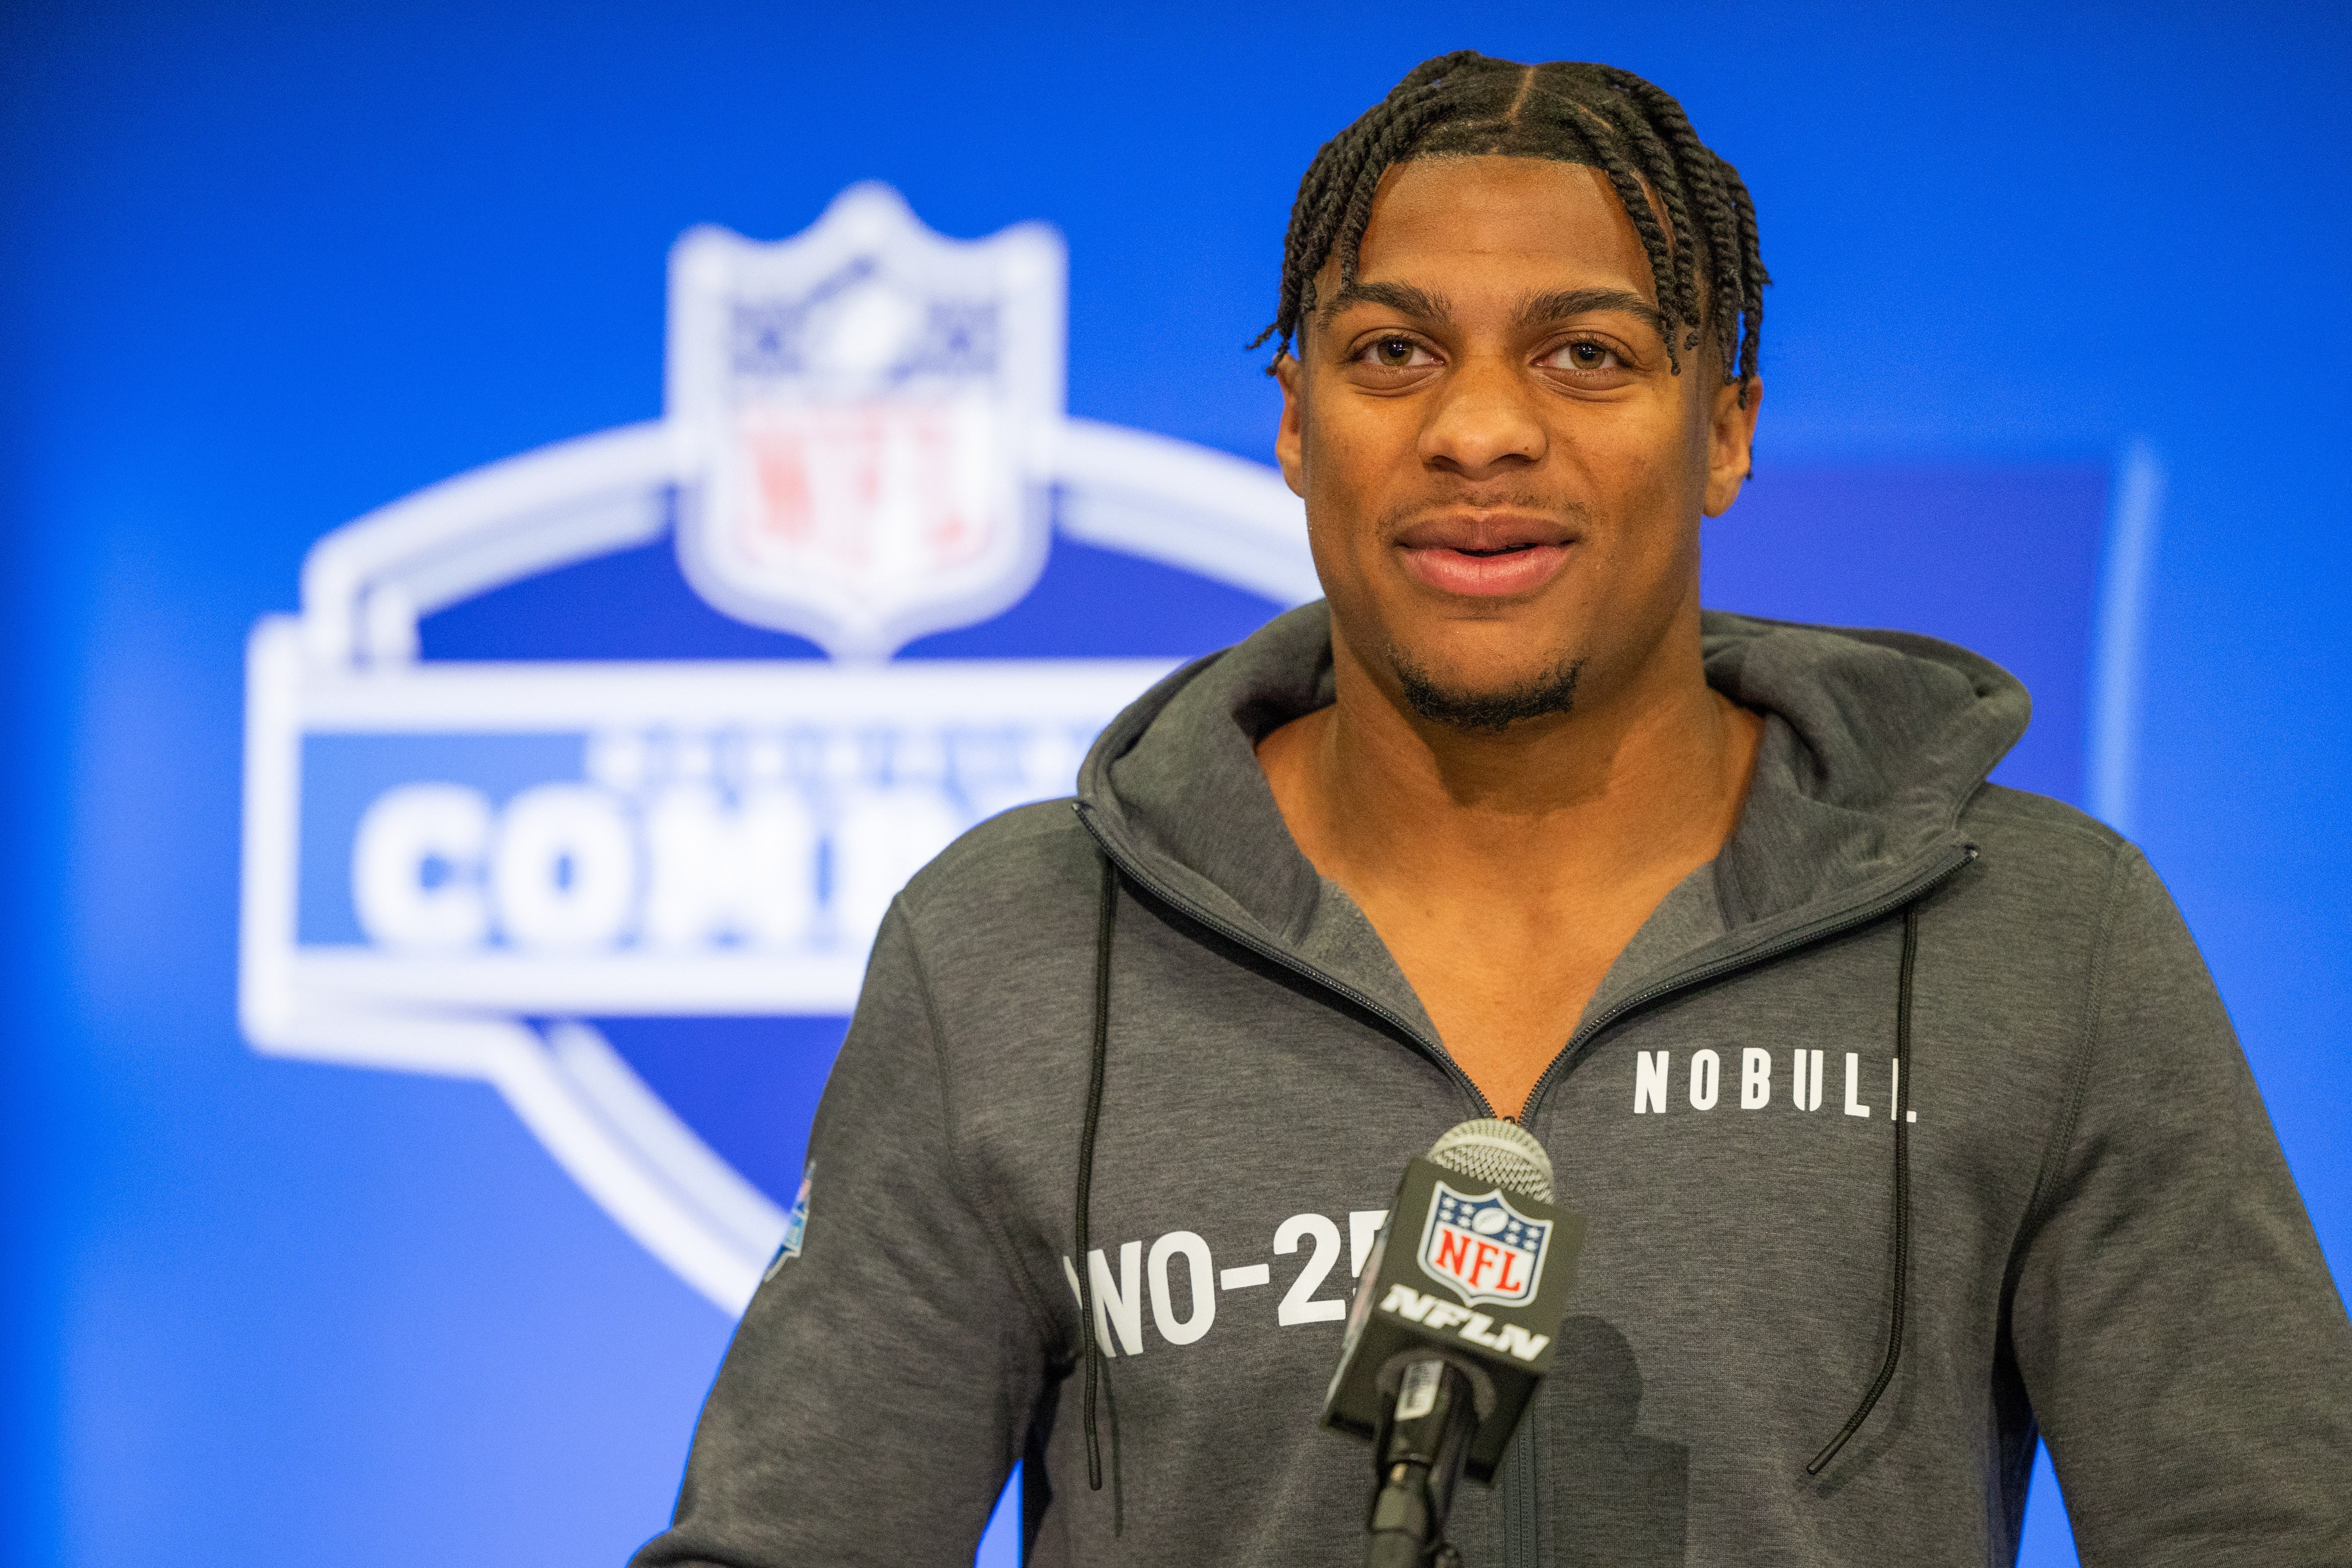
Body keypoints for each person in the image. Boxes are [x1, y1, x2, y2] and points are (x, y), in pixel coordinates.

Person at [633, 51, 2352, 1567]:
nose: (1475, 430)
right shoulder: (1007, 949)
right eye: (1391, 352)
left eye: (1583, 355)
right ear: (1296, 426)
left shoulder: (2043, 942)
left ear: (1722, 430)